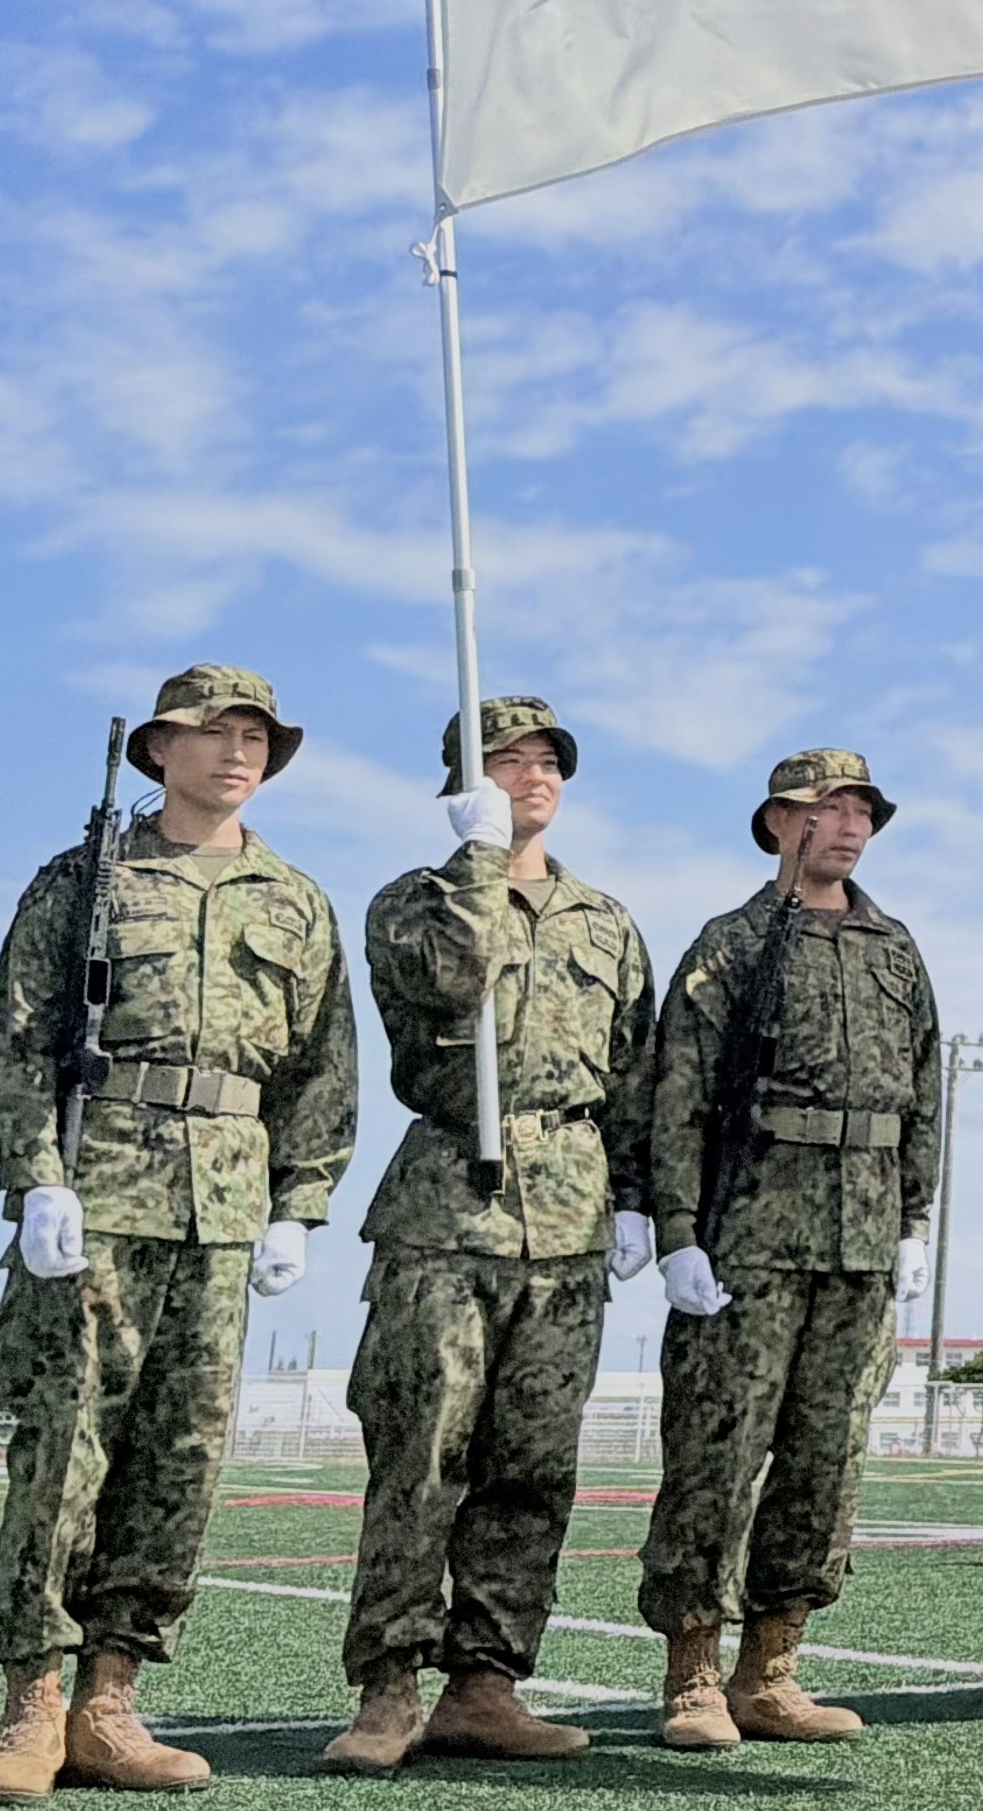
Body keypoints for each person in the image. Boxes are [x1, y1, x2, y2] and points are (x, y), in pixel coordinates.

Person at [0, 665, 360, 1801]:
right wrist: (36, 1175)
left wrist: (300, 1199)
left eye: (254, 735)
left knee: (181, 1460)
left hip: (223, 1209)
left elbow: (323, 1070)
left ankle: (112, 1697)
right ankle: (33, 1702)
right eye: (211, 731)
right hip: (98, 1197)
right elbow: (12, 1039)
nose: (236, 750)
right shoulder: (84, 880)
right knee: (64, 1453)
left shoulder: (295, 898)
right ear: (158, 748)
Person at [323, 697, 660, 1773]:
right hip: (445, 1207)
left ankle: (486, 1682)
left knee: (532, 1464)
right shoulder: (411, 903)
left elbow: (640, 1072)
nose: (533, 775)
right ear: (460, 783)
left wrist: (638, 1196)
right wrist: (476, 859)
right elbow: (447, 983)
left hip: (566, 1209)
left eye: (547, 759)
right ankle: (387, 1687)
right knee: (422, 1454)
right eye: (505, 761)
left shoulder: (605, 921)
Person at [638, 751, 942, 1748]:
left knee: (824, 1458)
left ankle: (771, 1666)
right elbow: (677, 1091)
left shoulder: (893, 948)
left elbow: (924, 1087)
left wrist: (914, 1215)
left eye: (860, 808)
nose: (848, 823)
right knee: (718, 1451)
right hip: (751, 1232)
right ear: (779, 822)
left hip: (859, 1237)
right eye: (827, 807)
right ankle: (691, 1670)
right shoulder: (728, 944)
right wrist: (674, 1227)